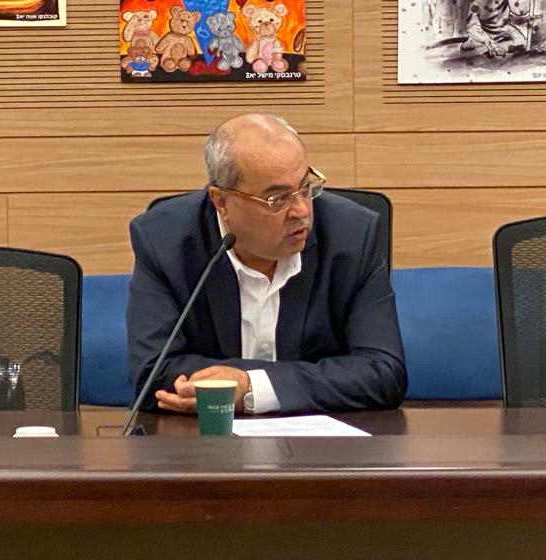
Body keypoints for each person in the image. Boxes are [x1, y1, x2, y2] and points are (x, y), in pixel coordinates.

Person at [125, 113, 407, 415]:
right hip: (204, 438)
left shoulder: (351, 236)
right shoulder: (165, 241)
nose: (302, 211)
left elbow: (383, 372)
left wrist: (251, 387)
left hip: (322, 439)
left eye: (305, 187)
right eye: (277, 199)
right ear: (221, 202)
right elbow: (153, 373)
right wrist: (293, 383)